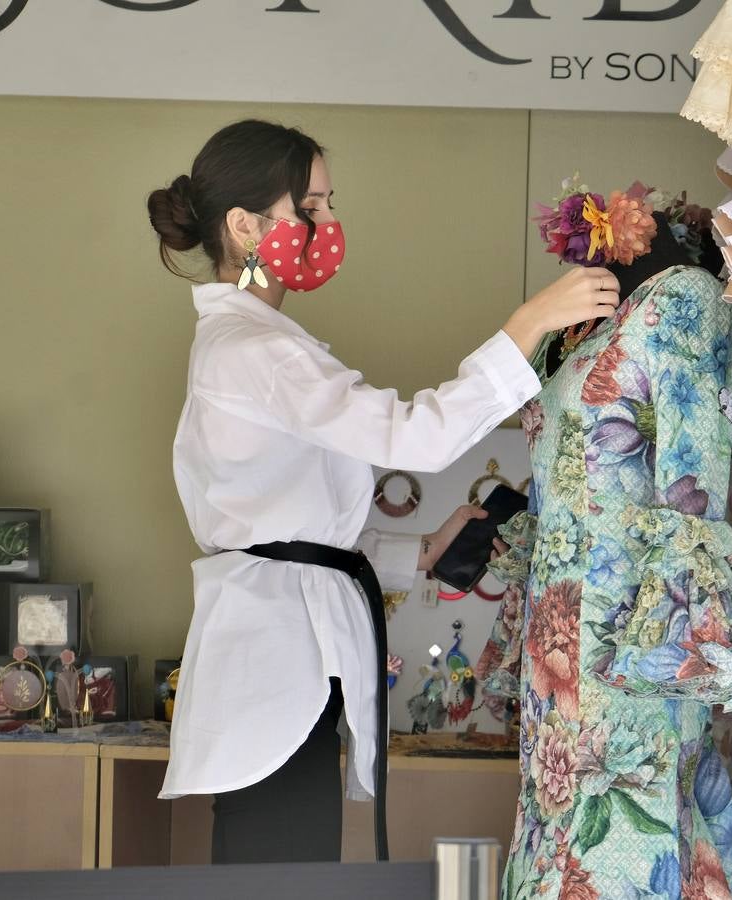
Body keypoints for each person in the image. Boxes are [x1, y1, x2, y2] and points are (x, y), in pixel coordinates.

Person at [145, 119, 617, 865]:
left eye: (330, 205)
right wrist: (527, 326)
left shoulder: (256, 347)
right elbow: (413, 437)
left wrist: (419, 552)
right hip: (275, 660)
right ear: (245, 226)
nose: (328, 226)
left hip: (286, 651)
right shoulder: (256, 351)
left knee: (286, 863)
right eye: (311, 208)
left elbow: (294, 522)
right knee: (279, 873)